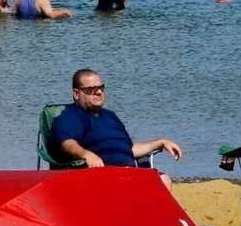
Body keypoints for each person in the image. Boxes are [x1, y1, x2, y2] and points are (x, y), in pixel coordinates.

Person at [51, 69, 183, 189]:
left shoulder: (110, 116)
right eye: (91, 89)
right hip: (102, 175)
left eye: (101, 88)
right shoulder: (71, 115)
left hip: (128, 172)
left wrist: (161, 142)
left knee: (163, 180)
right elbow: (67, 143)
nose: (98, 92)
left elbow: (129, 149)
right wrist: (87, 155)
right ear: (76, 94)